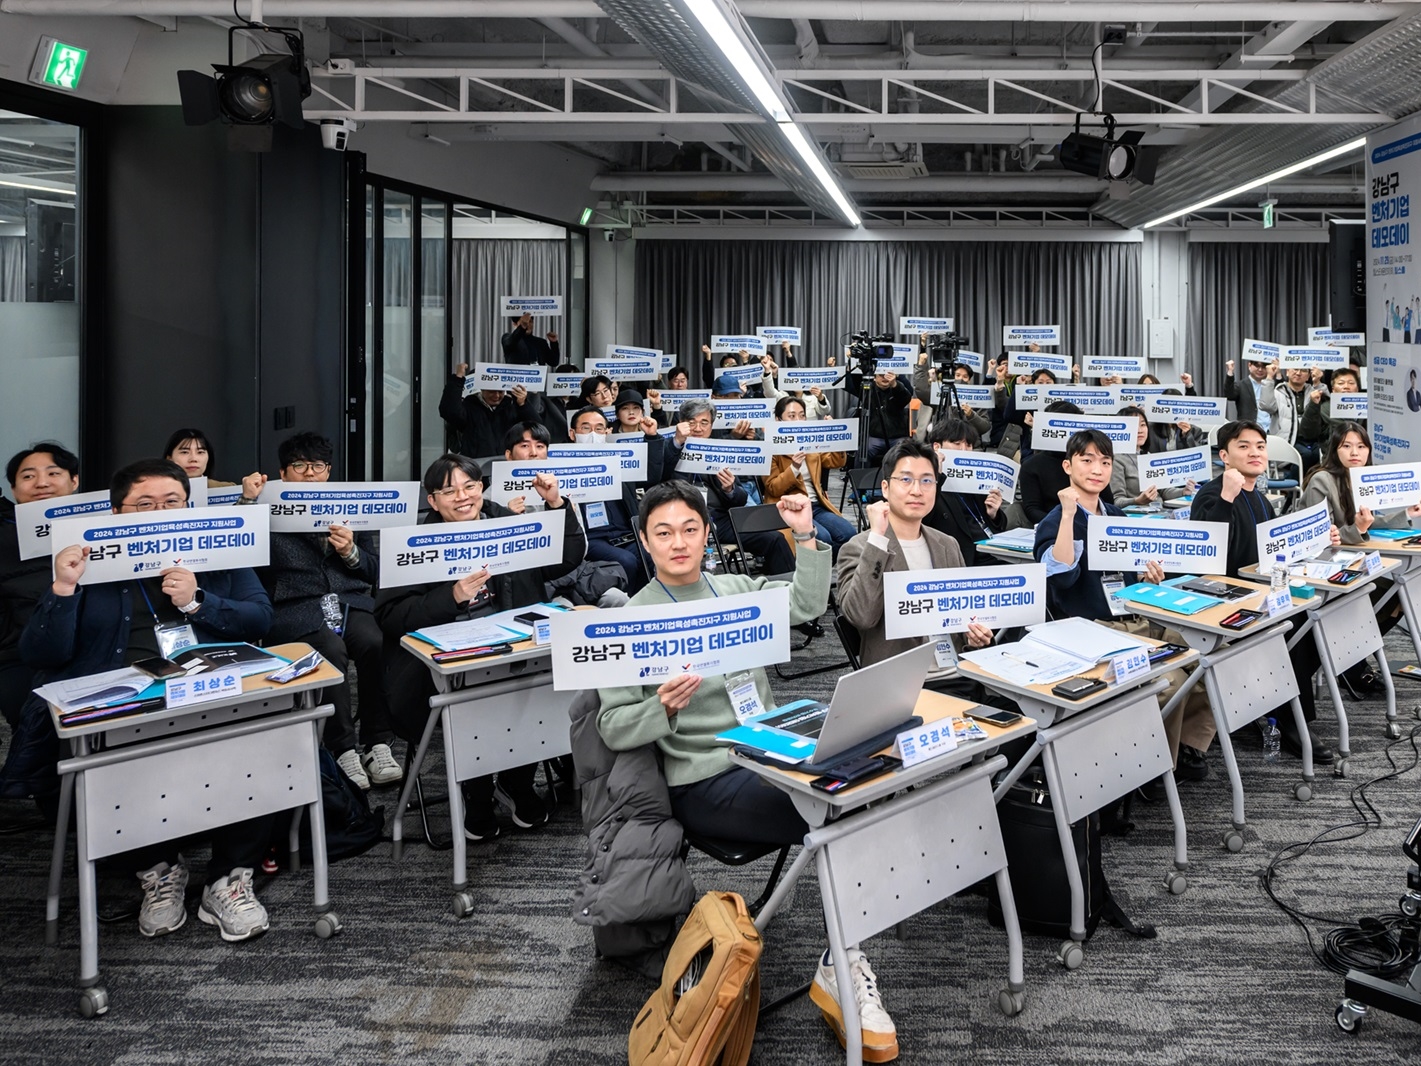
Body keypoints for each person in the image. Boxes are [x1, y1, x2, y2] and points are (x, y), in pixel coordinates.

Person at [596, 481, 898, 1061]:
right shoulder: (634, 620)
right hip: (706, 776)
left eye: (690, 529)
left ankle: (844, 956)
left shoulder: (734, 590)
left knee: (866, 777)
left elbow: (808, 606)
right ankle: (844, 960)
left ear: (708, 535)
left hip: (772, 748)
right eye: (663, 533)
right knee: (836, 805)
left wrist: (807, 533)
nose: (678, 542)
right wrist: (660, 708)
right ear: (643, 542)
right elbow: (613, 728)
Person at [12, 458, 274, 940]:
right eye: (143, 504)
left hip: (208, 690)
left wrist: (197, 602)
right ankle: (159, 870)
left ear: (188, 506)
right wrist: (64, 587)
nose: (159, 511)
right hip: (124, 702)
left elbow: (259, 620)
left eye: (171, 502)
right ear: (116, 512)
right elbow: (40, 653)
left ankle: (228, 880)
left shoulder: (221, 549)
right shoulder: (87, 561)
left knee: (263, 743)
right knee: (109, 761)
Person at [375, 454, 586, 839]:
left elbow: (566, 558)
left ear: (482, 488)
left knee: (533, 686)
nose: (462, 497)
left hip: (515, 645)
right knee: (477, 694)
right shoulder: (412, 544)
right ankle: (476, 790)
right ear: (432, 500)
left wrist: (557, 504)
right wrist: (451, 597)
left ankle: (516, 780)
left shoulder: (509, 524)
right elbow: (389, 616)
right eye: (449, 490)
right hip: (448, 658)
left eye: (470, 487)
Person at [1033, 431, 1214, 788]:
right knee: (1171, 681)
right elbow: (1061, 577)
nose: (1097, 469)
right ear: (1068, 467)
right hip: (1094, 630)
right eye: (1086, 460)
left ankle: (1185, 745)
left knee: (1204, 650)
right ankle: (1150, 766)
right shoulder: (1055, 521)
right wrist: (1069, 514)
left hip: (1135, 618)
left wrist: (1151, 577)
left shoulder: (1115, 513)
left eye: (1105, 462)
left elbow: (1132, 577)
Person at [238, 432, 400, 791]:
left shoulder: (350, 506)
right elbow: (239, 552)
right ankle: (341, 747)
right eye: (299, 466)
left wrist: (351, 554)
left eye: (318, 466)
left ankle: (377, 741)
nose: (310, 474)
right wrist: (247, 502)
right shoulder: (263, 508)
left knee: (374, 641)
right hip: (293, 606)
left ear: (328, 471)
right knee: (330, 650)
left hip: (350, 600)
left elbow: (377, 570)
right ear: (283, 472)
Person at [1191, 421, 1342, 763]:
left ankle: (1282, 712)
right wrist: (1228, 497)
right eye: (1243, 446)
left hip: (1260, 594)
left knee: (1314, 619)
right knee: (1296, 627)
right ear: (1224, 456)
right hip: (1225, 599)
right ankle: (1290, 723)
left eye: (1260, 446)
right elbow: (1207, 556)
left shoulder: (1261, 498)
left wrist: (1322, 543)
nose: (1255, 452)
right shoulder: (1212, 494)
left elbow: (1277, 552)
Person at [836, 439, 995, 701]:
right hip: (901, 688)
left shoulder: (947, 545)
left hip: (961, 675)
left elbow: (962, 615)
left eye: (926, 481)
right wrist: (877, 538)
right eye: (906, 480)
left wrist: (974, 636)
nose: (917, 491)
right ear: (885, 488)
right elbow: (861, 617)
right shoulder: (860, 547)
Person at [1, 444, 81, 736]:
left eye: (53, 473)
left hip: (95, 643)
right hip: (19, 654)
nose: (42, 483)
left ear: (74, 481)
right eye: (28, 476)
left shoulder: (102, 525)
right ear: (13, 489)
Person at [669, 399, 793, 576]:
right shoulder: (671, 448)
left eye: (704, 423)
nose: (698, 428)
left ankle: (787, 592)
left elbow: (740, 498)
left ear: (711, 426)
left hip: (720, 520)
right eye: (692, 422)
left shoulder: (719, 450)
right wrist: (677, 442)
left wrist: (729, 490)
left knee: (775, 539)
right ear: (681, 424)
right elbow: (658, 472)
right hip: (684, 522)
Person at [566, 405, 665, 592]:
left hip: (626, 534)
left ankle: (647, 602)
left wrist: (651, 437)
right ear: (573, 433)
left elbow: (651, 476)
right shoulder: (563, 468)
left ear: (607, 432)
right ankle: (629, 607)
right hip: (592, 539)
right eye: (586, 428)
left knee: (653, 554)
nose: (593, 434)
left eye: (599, 428)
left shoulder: (618, 461)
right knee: (626, 561)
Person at [763, 395, 853, 559]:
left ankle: (825, 566)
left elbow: (833, 461)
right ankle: (815, 569)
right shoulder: (770, 449)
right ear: (778, 420)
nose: (798, 420)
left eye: (802, 415)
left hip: (816, 505)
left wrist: (836, 438)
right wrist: (794, 468)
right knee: (823, 537)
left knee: (849, 533)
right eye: (791, 416)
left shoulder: (810, 443)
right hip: (790, 507)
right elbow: (773, 487)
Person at [923, 418, 1014, 565]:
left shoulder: (976, 478)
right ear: (936, 447)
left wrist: (993, 515)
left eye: (968, 444)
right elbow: (923, 519)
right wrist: (936, 476)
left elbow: (998, 524)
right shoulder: (926, 481)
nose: (963, 449)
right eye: (957, 443)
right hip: (962, 556)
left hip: (993, 548)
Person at [1018, 402, 1117, 523]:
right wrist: (1063, 522)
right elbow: (1032, 509)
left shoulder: (1094, 464)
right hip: (1052, 525)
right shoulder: (1031, 465)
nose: (1096, 469)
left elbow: (1108, 502)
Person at [440, 364, 545, 459]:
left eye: (500, 392)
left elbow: (536, 428)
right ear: (481, 389)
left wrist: (523, 404)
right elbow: (449, 412)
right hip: (475, 465)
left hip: (507, 463)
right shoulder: (469, 406)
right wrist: (457, 380)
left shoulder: (512, 405)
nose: (496, 396)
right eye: (491, 392)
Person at [1109, 406, 1195, 507]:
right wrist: (1137, 501)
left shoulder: (1148, 455)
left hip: (1161, 511)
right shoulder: (1116, 459)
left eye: (1142, 425)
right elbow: (1116, 501)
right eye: (1133, 426)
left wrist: (1183, 491)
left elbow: (1163, 491)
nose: (1140, 430)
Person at [845, 366, 913, 467]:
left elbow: (906, 397)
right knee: (864, 451)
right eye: (881, 375)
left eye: (887, 375)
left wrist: (894, 384)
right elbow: (850, 384)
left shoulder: (897, 389)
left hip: (897, 436)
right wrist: (849, 368)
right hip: (875, 437)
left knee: (906, 452)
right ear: (875, 377)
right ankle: (859, 479)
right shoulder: (867, 390)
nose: (885, 378)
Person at [1269, 368, 1320, 469]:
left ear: (1309, 376)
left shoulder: (1313, 392)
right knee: (1304, 455)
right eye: (1295, 369)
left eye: (1303, 370)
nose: (1298, 373)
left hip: (1310, 438)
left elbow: (1328, 403)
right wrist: (1269, 377)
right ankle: (1295, 482)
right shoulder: (1278, 392)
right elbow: (1266, 406)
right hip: (1288, 438)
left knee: (1319, 455)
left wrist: (1318, 383)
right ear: (1287, 372)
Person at [1299, 366, 1363, 445]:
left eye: (1351, 383)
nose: (1346, 387)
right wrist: (1313, 405)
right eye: (1341, 383)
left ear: (1357, 389)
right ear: (1333, 389)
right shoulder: (1324, 409)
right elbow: (1308, 433)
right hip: (1332, 454)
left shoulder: (1369, 409)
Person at [164, 428, 234, 487]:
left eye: (200, 452)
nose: (193, 459)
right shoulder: (156, 490)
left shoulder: (225, 488)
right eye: (185, 452)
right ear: (170, 458)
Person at [1223, 357, 1278, 430]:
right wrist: (1230, 371)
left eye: (1264, 366)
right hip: (1249, 430)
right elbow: (1229, 395)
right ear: (1249, 365)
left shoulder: (1273, 385)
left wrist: (1278, 372)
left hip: (1272, 430)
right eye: (1257, 365)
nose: (1260, 369)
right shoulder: (1241, 385)